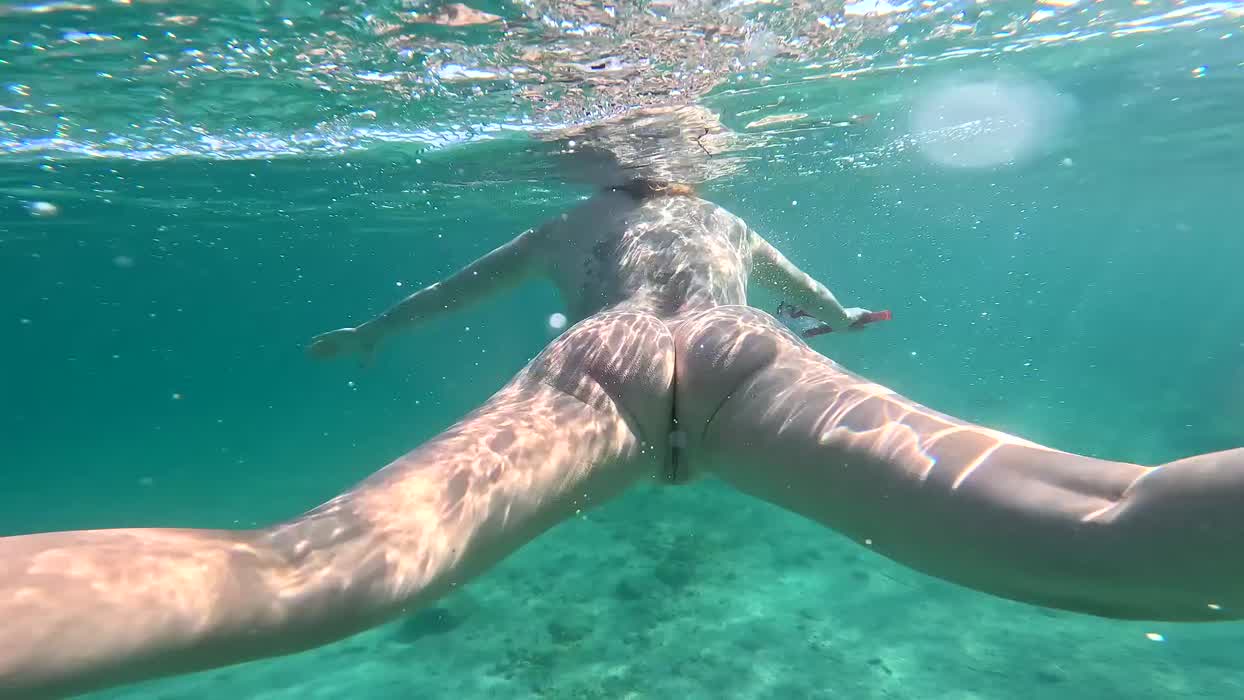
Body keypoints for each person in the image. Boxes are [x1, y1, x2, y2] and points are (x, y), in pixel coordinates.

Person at [2, 107, 1242, 699]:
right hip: (748, 361)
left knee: (310, 570)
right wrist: (838, 316)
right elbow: (787, 284)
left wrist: (376, 331)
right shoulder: (717, 212)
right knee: (1104, 525)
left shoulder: (571, 219)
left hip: (600, 371)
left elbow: (459, 287)